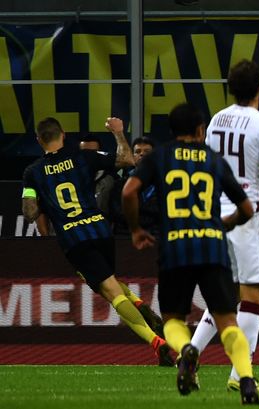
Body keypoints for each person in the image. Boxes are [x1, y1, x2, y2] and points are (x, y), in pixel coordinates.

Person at [122, 102, 259, 404]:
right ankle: (246, 379)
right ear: (201, 130)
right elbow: (247, 208)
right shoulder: (213, 160)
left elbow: (129, 191)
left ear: (171, 131)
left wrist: (135, 229)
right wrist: (224, 223)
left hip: (175, 247)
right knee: (229, 323)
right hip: (212, 246)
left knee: (173, 321)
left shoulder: (158, 157)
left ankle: (186, 351)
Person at [21, 116, 173, 366]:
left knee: (111, 293)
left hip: (74, 240)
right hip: (101, 232)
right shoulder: (83, 157)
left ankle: (156, 343)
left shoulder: (32, 173)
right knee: (109, 283)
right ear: (64, 135)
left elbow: (29, 214)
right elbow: (127, 159)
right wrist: (118, 133)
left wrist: (37, 195)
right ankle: (140, 305)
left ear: (38, 140)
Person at [189, 59, 259, 392]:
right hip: (250, 215)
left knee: (226, 297)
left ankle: (191, 354)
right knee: (254, 295)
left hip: (217, 216)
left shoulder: (216, 120)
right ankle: (241, 375)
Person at [111, 136, 159, 236]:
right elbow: (119, 213)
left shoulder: (163, 183)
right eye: (137, 151)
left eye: (147, 151)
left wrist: (135, 212)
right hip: (126, 237)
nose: (142, 154)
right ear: (133, 156)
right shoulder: (120, 184)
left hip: (157, 236)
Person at [80, 133, 118, 217]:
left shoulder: (110, 176)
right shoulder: (69, 175)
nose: (89, 157)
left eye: (93, 153)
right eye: (85, 153)